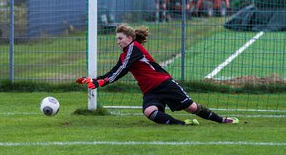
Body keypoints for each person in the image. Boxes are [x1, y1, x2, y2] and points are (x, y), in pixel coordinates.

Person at [77, 24, 239, 126]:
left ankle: (222, 120)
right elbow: (114, 71)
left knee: (192, 107)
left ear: (129, 37)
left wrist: (101, 83)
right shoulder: (125, 53)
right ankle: (183, 125)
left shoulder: (134, 48)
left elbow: (122, 71)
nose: (118, 41)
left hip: (164, 84)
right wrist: (93, 80)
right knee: (150, 112)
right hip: (150, 91)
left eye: (120, 38)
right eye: (117, 39)